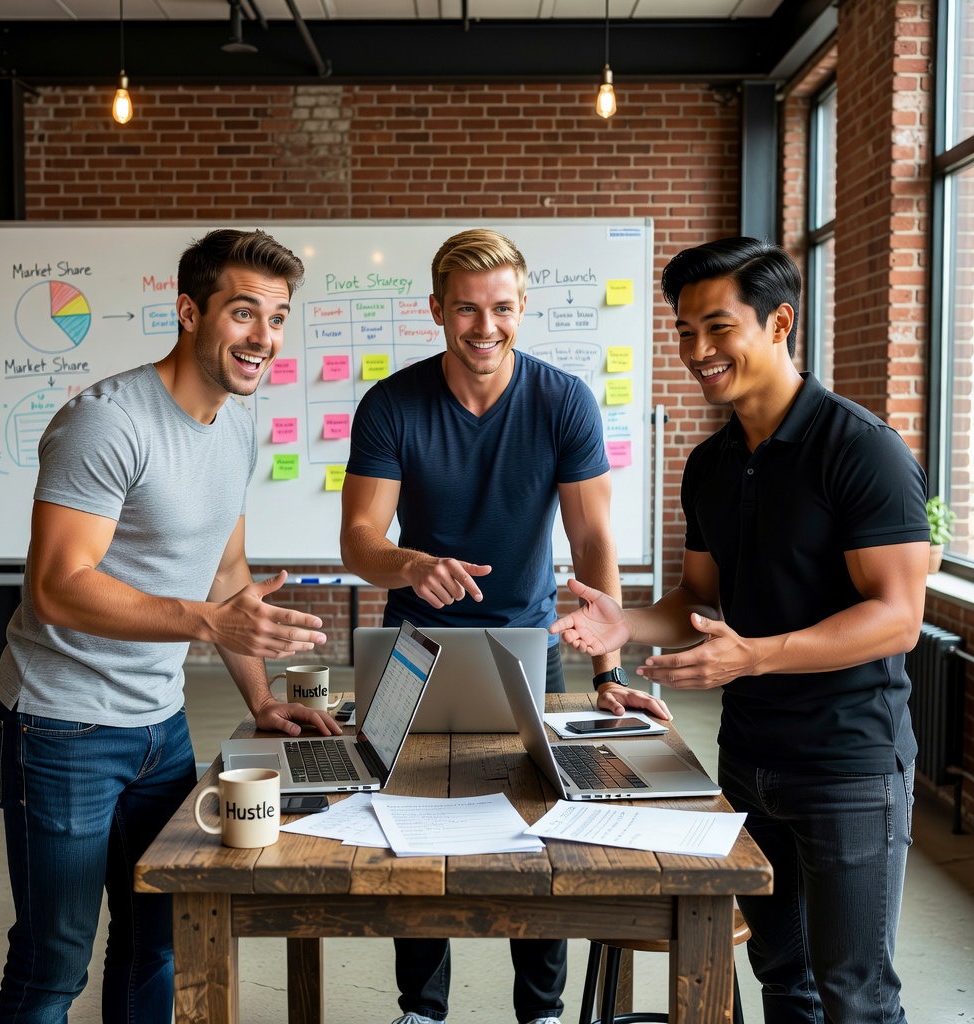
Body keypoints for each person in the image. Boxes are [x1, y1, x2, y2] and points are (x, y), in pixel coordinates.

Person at [551, 236, 929, 1024]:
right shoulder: (712, 463)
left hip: (848, 768)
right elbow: (696, 596)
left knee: (855, 994)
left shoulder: (862, 451)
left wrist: (754, 656)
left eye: (718, 328)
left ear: (780, 322)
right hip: (748, 761)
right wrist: (625, 620)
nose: (697, 350)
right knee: (778, 974)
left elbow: (898, 619)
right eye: (685, 331)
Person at [0, 228, 342, 1024]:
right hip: (59, 725)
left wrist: (259, 701)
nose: (265, 336)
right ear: (190, 311)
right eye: (244, 312)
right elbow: (56, 588)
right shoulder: (106, 423)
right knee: (55, 961)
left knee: (158, 938)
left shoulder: (237, 424)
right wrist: (206, 621)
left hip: (159, 726)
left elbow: (226, 575)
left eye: (278, 317)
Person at [340, 227, 671, 1024]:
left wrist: (608, 670)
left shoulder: (562, 401)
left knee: (539, 825)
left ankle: (542, 1013)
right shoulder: (392, 404)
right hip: (412, 649)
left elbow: (592, 541)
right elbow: (360, 542)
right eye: (465, 309)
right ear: (436, 310)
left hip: (527, 648)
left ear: (522, 308)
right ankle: (421, 1009)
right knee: (408, 829)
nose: (484, 327)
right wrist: (414, 564)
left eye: (501, 308)